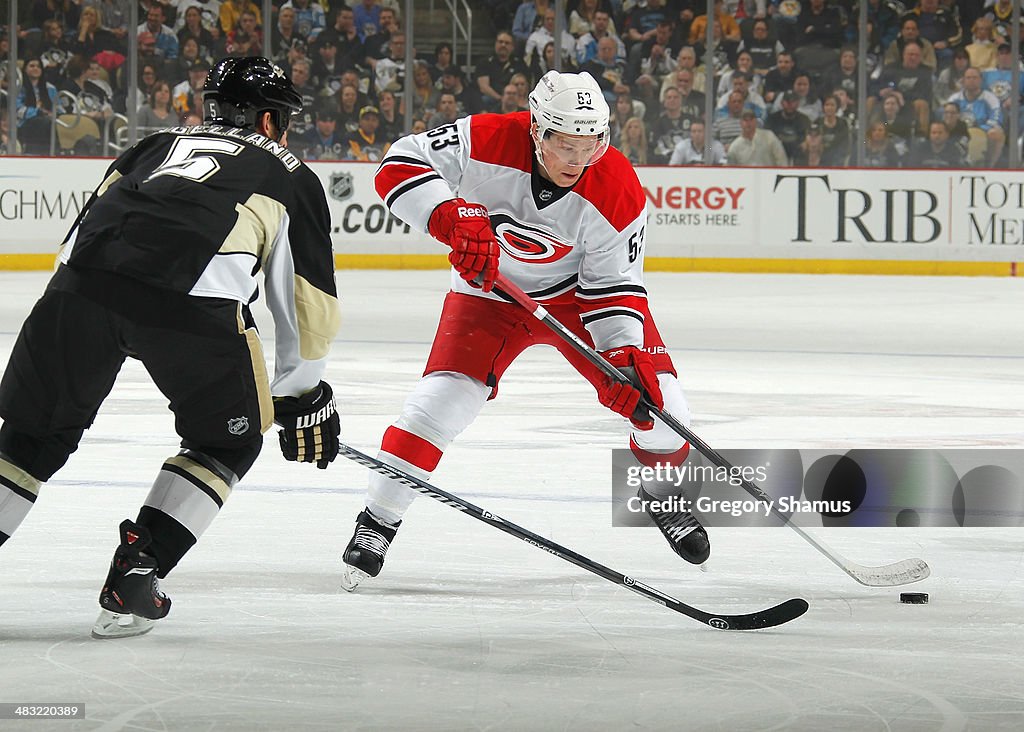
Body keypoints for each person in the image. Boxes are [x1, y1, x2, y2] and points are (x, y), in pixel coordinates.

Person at [0, 56, 341, 639]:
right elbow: (305, 306)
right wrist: (302, 392)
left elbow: (79, 234)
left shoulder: (153, 144)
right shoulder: (291, 175)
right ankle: (141, 565)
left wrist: (71, 315)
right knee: (223, 442)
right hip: (191, 309)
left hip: (76, 292)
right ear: (269, 120)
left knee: (27, 440)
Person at [342, 70, 709, 591]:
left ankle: (660, 492)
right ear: (537, 129)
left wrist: (622, 357)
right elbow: (399, 162)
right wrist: (449, 215)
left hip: (580, 299)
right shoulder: (487, 137)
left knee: (664, 410)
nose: (577, 161)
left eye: (591, 145)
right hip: (489, 292)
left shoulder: (619, 189)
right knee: (437, 404)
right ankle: (378, 520)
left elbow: (615, 288)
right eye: (565, 145)